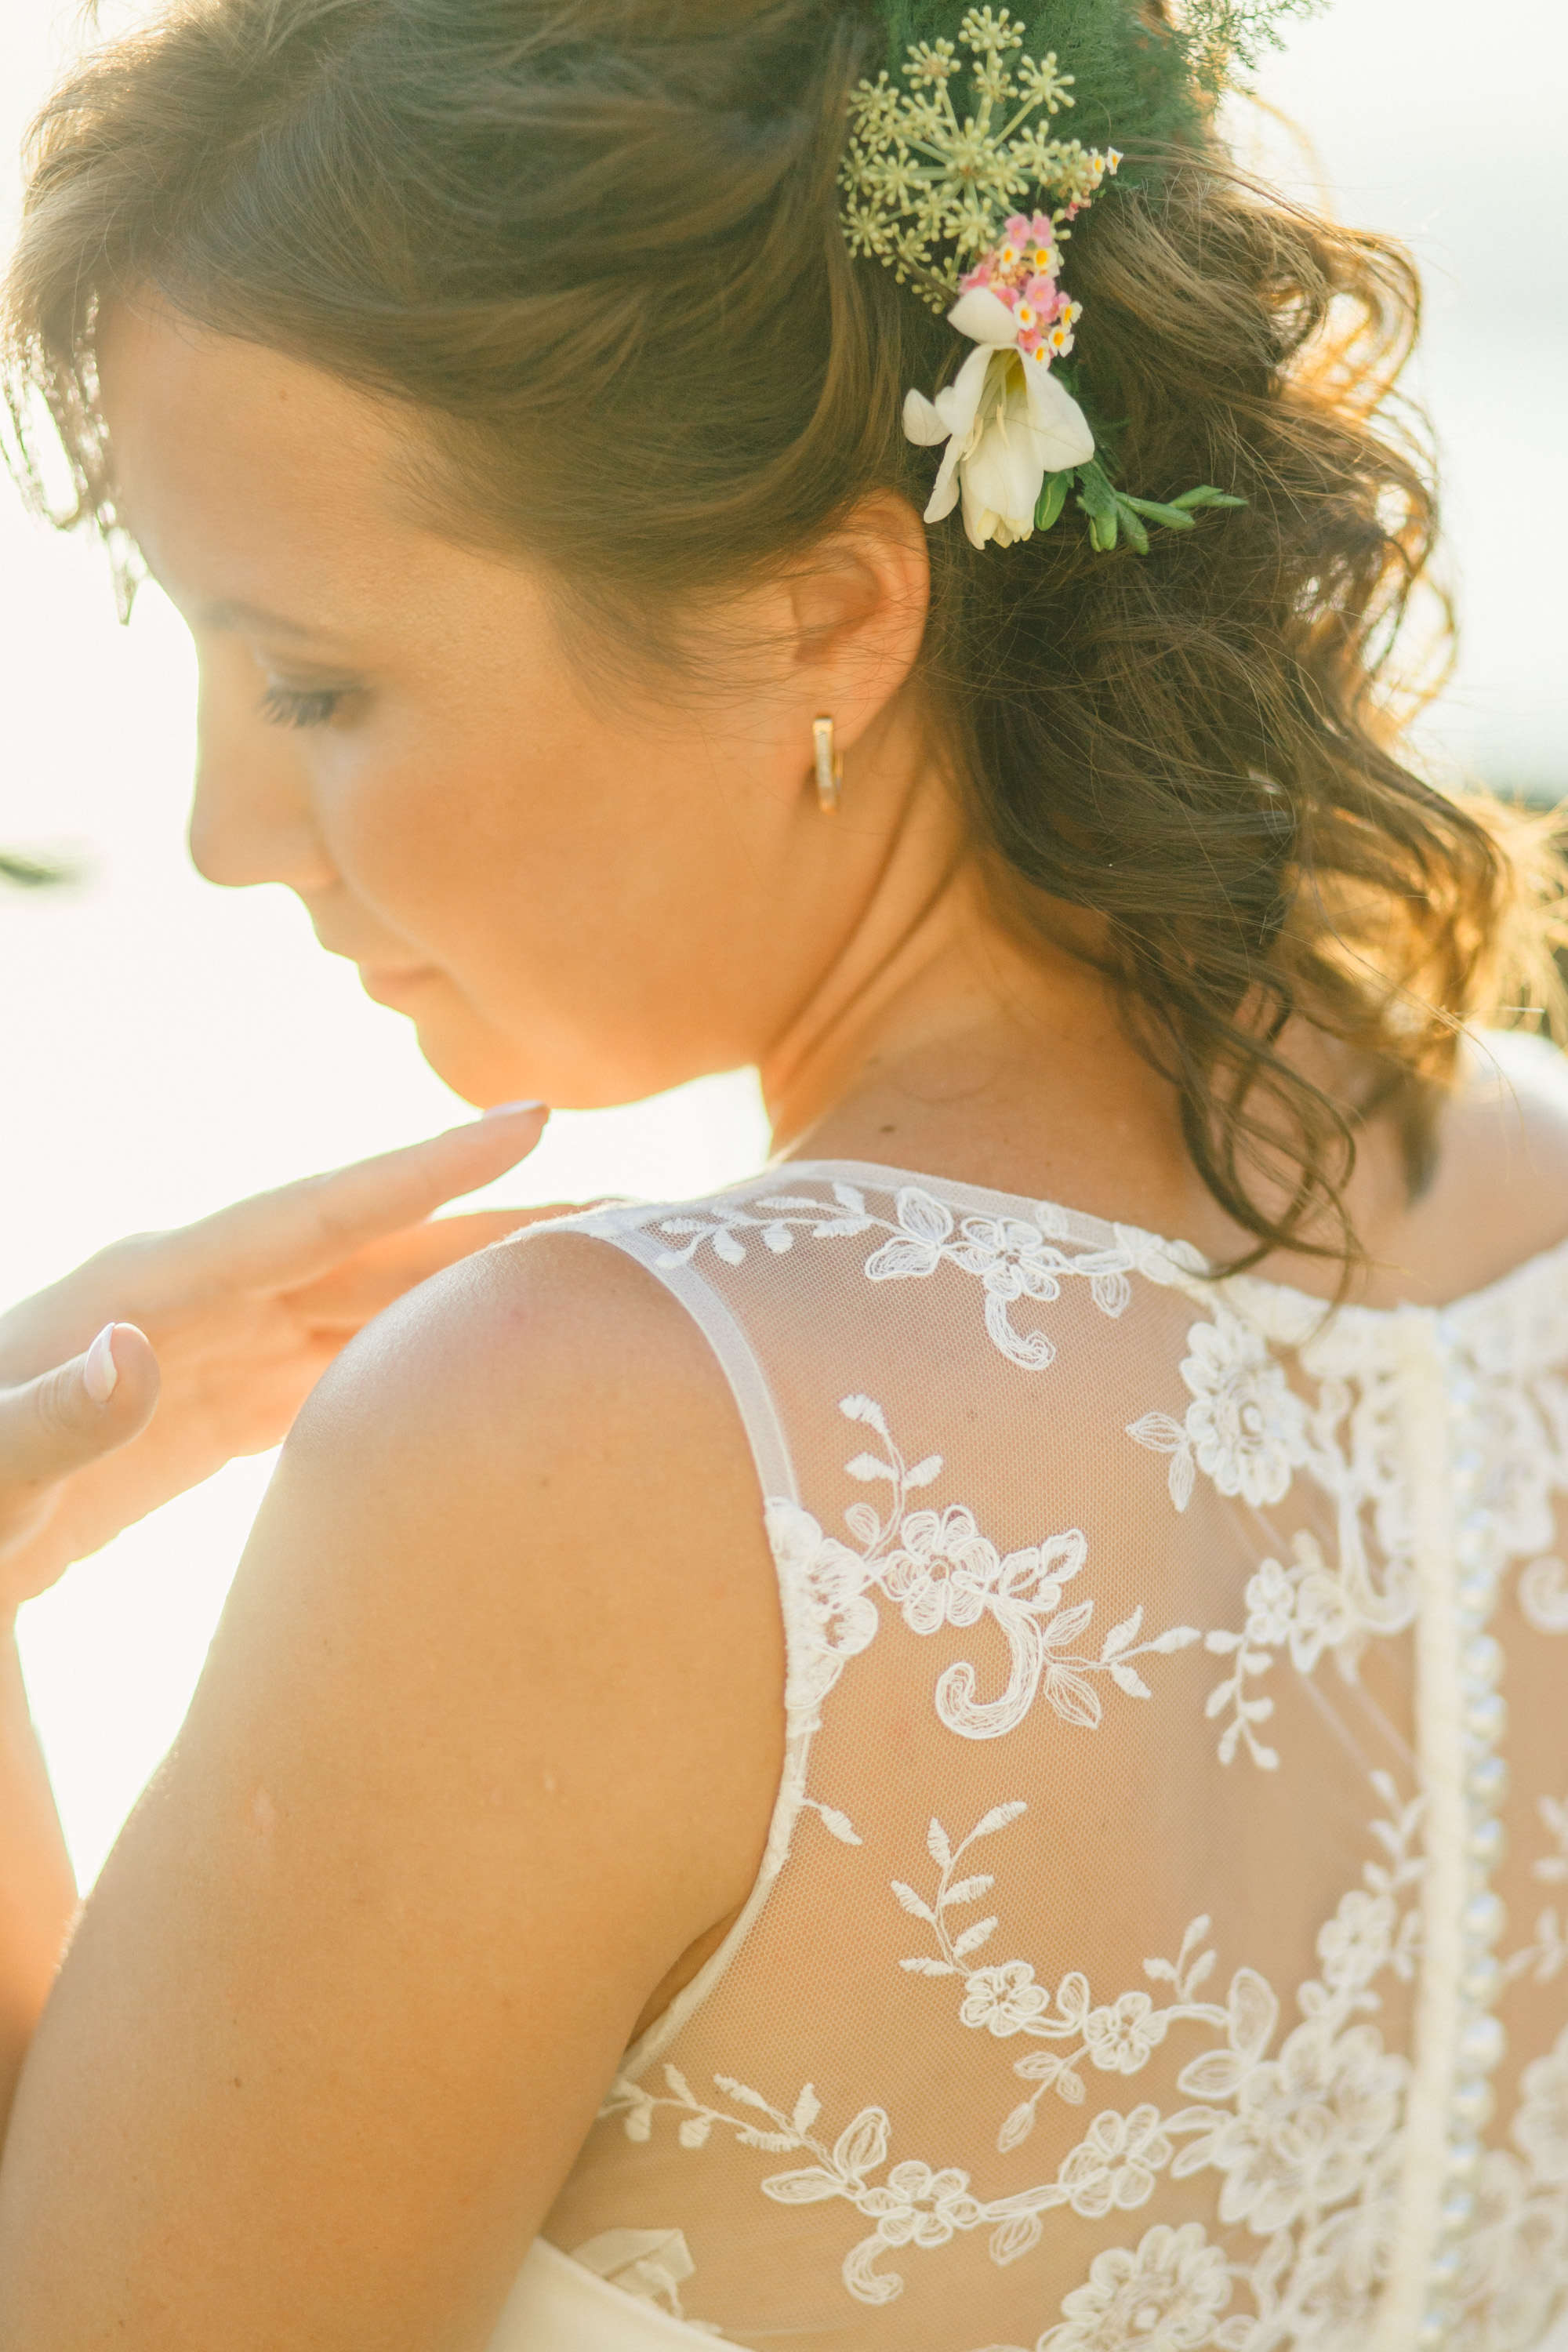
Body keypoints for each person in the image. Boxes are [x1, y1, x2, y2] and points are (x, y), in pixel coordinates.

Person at [1, 0, 1566, 2344]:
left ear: (821, 618)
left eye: (313, 685)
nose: (227, 839)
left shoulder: (576, 1431)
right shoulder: (1538, 1213)